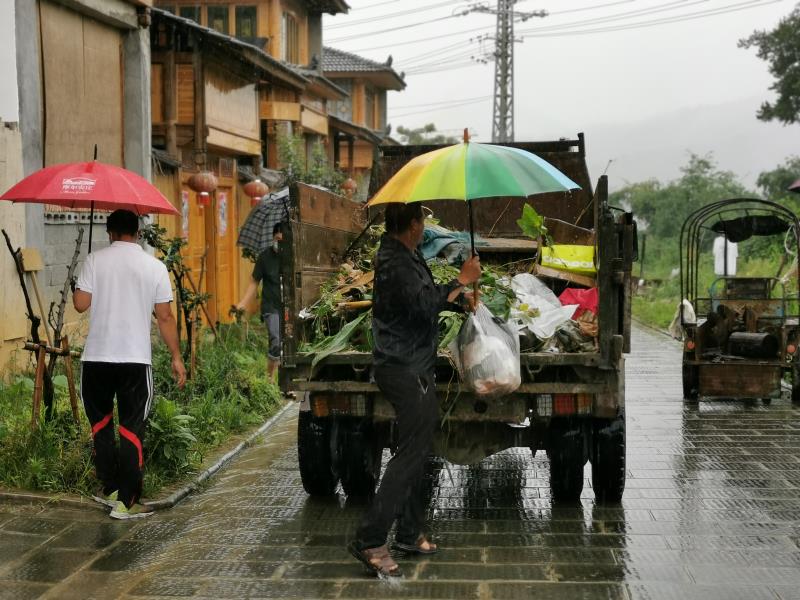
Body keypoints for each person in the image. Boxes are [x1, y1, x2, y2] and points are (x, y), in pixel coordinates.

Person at [348, 202, 481, 578]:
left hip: (410, 364)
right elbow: (424, 306)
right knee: (410, 454)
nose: (425, 228)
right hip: (405, 368)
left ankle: (408, 531)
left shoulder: (406, 254)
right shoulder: (395, 262)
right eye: (422, 222)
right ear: (411, 225)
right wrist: (462, 280)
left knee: (414, 448)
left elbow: (425, 299)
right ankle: (371, 540)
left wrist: (459, 300)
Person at [73, 209, 186, 520]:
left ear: (110, 232)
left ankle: (110, 488)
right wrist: (176, 357)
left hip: (97, 359)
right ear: (138, 232)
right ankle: (128, 501)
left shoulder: (95, 260)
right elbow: (165, 317)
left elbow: (80, 303)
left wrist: (80, 282)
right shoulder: (155, 267)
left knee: (102, 426)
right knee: (132, 428)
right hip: (135, 360)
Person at [236, 221, 284, 379]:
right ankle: (269, 378)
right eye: (276, 239)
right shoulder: (265, 257)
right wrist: (243, 303)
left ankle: (284, 381)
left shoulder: (292, 255)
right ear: (272, 238)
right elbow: (254, 282)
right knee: (276, 340)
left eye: (282, 240)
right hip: (271, 306)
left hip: (289, 305)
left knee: (289, 345)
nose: (279, 243)